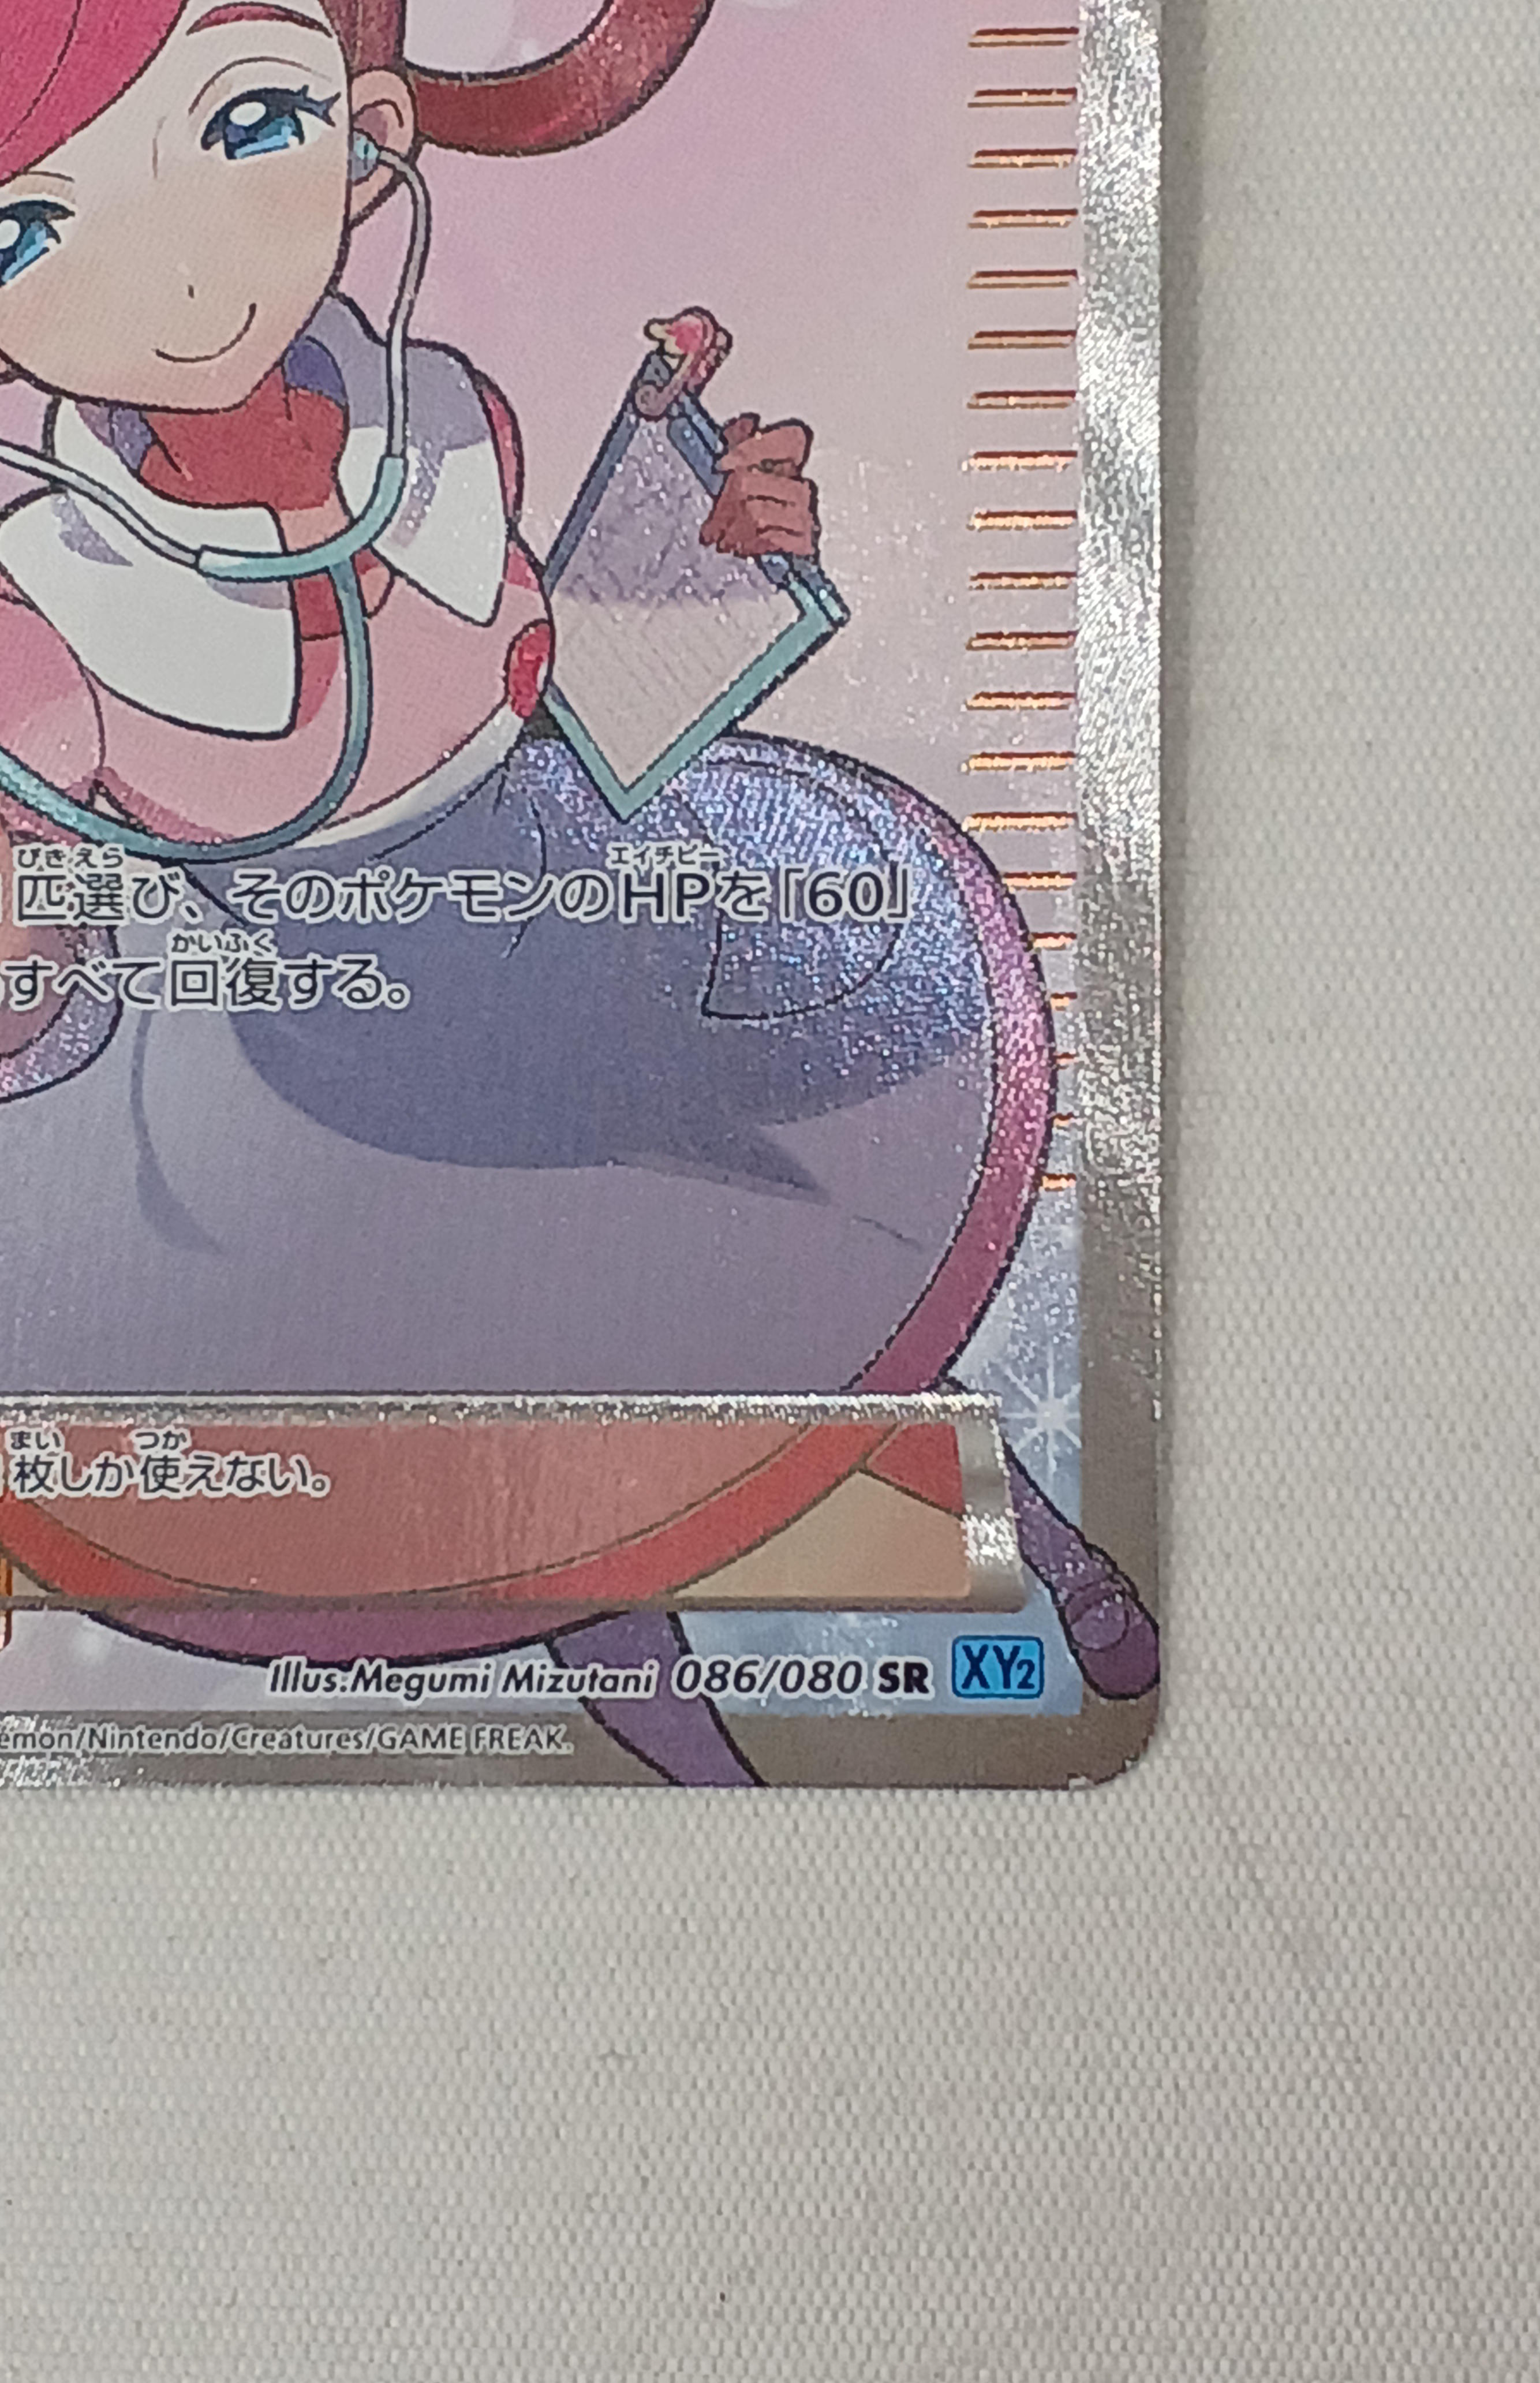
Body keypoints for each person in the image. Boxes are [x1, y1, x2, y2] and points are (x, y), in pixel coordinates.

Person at [0, 0, 1156, 1781]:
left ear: (372, 134)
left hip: (589, 920)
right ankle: (680, 1743)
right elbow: (40, 967)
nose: (180, 269)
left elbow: (551, 689)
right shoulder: (43, 604)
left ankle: (1046, 1557)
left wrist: (707, 554)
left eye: (248, 129)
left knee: (793, 1289)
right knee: (530, 1470)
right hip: (317, 1074)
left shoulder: (445, 425)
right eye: (29, 227)